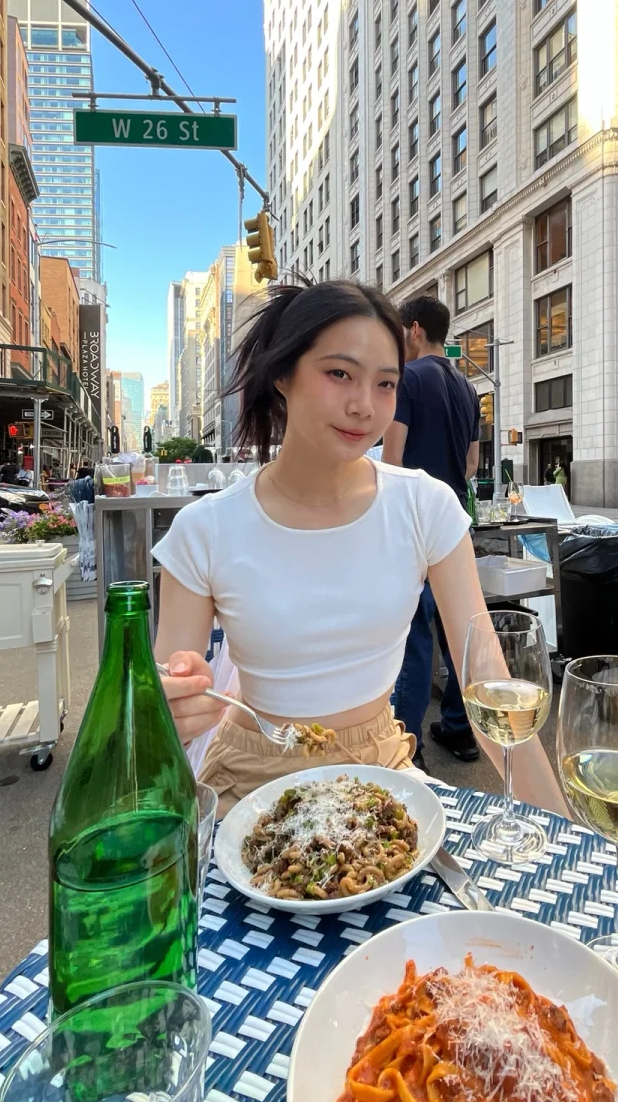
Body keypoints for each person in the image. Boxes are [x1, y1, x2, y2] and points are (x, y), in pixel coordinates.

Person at [151, 280, 566, 820]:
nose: (363, 406)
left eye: (386, 384)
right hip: (246, 785)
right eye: (339, 374)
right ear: (282, 375)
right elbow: (162, 702)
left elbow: (484, 675)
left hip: (381, 773)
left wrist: (569, 836)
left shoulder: (424, 506)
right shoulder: (204, 529)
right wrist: (168, 705)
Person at [381, 295, 481, 764]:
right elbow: (472, 461)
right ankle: (461, 731)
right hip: (454, 520)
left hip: (415, 523)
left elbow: (392, 459)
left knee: (415, 637)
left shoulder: (410, 379)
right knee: (457, 632)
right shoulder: (468, 387)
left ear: (414, 329)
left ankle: (410, 744)